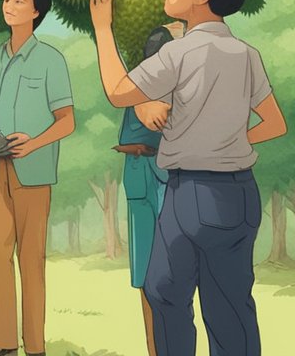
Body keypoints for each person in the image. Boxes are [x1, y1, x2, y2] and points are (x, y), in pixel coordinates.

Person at [90, 0, 288, 356]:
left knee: (164, 291)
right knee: (231, 305)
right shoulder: (246, 54)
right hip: (240, 194)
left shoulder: (180, 52)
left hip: (193, 193)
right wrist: (229, 139)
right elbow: (274, 123)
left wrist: (103, 29)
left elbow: (118, 92)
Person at [0, 0, 76, 356]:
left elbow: (66, 122)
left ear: (36, 12)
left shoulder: (51, 60)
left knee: (31, 259)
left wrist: (32, 144)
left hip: (35, 173)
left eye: (19, 1)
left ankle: (35, 347)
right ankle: (2, 344)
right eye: (7, 0)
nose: (9, 6)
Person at [116, 23, 184, 356]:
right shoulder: (139, 91)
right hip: (144, 182)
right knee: (146, 274)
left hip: (173, 183)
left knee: (174, 274)